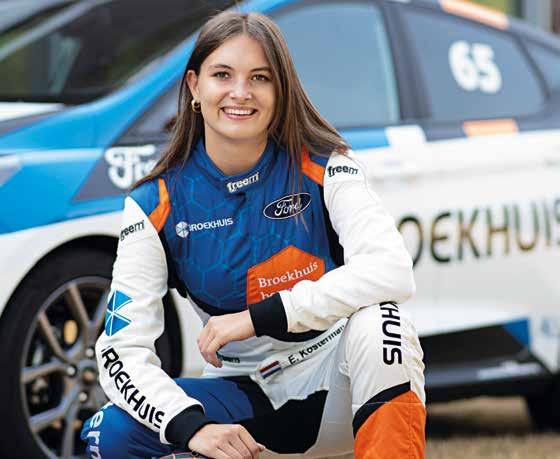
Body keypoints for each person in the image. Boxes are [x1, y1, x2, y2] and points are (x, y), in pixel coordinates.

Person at [81, 10, 426, 459]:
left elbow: (392, 270)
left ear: (280, 90)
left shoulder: (327, 164)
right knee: (107, 432)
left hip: (339, 385)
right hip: (243, 398)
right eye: (222, 75)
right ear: (194, 87)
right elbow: (120, 350)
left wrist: (258, 317)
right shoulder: (155, 203)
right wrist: (190, 427)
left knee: (384, 326)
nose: (240, 93)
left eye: (260, 78)